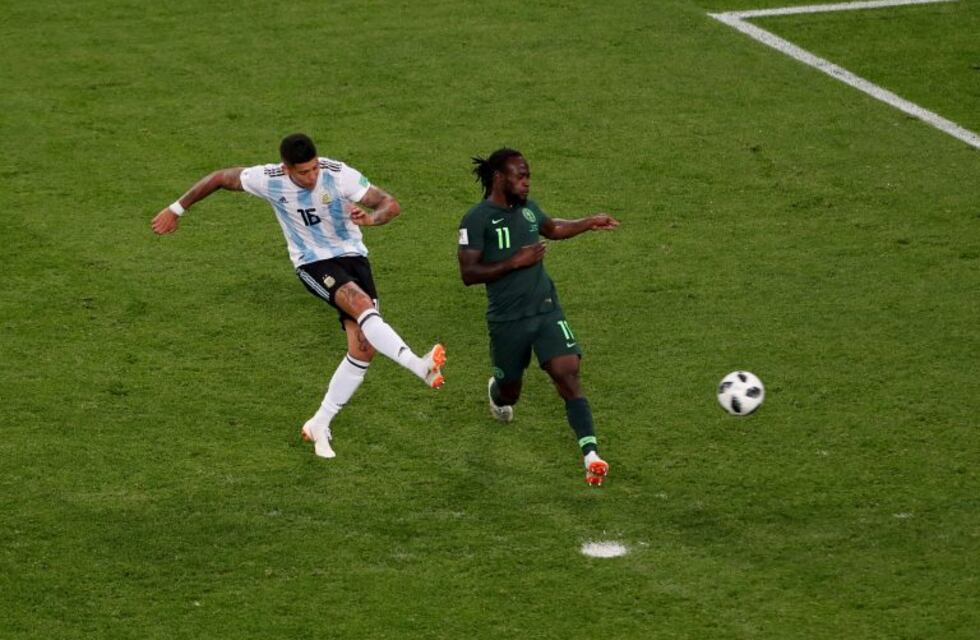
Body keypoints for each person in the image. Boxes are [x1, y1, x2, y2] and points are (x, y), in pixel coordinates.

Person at [151, 133, 445, 460]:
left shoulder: (337, 173)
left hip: (354, 257)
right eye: (303, 172)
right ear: (286, 168)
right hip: (313, 262)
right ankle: (419, 366)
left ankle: (320, 423)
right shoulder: (268, 179)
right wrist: (177, 209)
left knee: (363, 349)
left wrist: (372, 218)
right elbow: (220, 178)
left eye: (314, 169)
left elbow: (390, 204)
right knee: (361, 307)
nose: (311, 177)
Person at [457, 148, 619, 486]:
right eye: (521, 176)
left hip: (545, 309)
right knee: (510, 392)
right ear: (500, 178)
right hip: (507, 321)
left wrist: (588, 222)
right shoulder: (476, 219)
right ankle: (496, 392)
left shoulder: (529, 210)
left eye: (528, 176)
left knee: (568, 372)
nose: (527, 183)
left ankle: (591, 454)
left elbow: (553, 228)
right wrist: (514, 262)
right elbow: (469, 273)